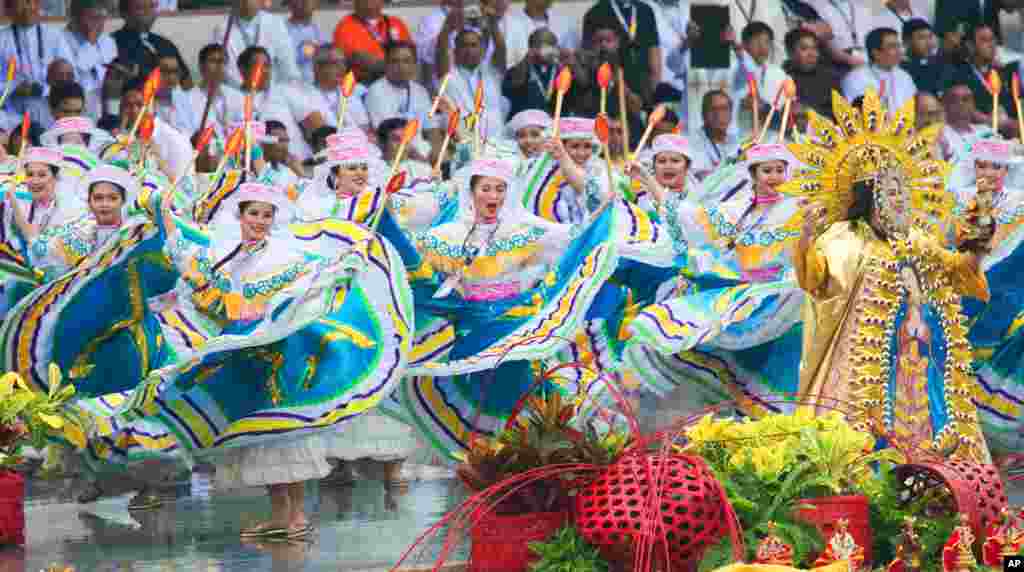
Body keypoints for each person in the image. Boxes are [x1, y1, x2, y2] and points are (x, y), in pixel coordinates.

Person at [791, 89, 992, 461]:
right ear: (870, 195)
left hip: (915, 359)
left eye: (904, 191)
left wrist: (977, 246)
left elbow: (957, 273)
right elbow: (815, 280)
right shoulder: (845, 238)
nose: (902, 200)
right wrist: (805, 239)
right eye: (892, 191)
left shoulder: (916, 238)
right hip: (859, 369)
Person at [0, 0, 75, 123]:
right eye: (22, 4)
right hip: (11, 113)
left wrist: (47, 88)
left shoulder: (55, 36)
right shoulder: (2, 38)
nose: (29, 8)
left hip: (51, 110)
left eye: (32, 2)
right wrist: (14, 87)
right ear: (9, 9)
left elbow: (72, 76)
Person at [216, 0, 301, 90]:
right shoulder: (222, 30)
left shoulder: (275, 23)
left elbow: (288, 67)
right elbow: (228, 72)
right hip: (239, 94)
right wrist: (245, 92)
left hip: (274, 95)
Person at [111, 0, 191, 88]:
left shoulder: (165, 44)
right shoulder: (112, 43)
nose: (148, 12)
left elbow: (186, 81)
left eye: (151, 7)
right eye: (141, 8)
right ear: (124, 14)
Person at [841, 27, 917, 113]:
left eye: (898, 46)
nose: (899, 51)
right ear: (876, 53)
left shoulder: (904, 77)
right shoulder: (855, 79)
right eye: (892, 46)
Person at [333, 0, 413, 82]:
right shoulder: (344, 27)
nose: (370, 2)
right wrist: (393, 64)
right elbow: (348, 63)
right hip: (362, 85)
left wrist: (381, 64)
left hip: (398, 81)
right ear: (355, 2)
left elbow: (411, 59)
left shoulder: (396, 23)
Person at [63, 0, 118, 119]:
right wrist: (90, 41)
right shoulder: (61, 40)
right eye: (93, 17)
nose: (99, 23)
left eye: (102, 17)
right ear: (76, 17)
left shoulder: (108, 41)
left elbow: (110, 77)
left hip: (105, 106)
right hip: (74, 108)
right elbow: (81, 67)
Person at [782, 28, 840, 121]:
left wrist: (808, 111)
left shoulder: (829, 77)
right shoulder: (781, 76)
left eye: (814, 48)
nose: (812, 54)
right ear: (790, 52)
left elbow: (841, 114)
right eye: (804, 49)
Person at [285, 0, 329, 85]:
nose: (306, 1)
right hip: (291, 89)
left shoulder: (321, 32)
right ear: (289, 3)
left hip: (318, 90)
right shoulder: (280, 30)